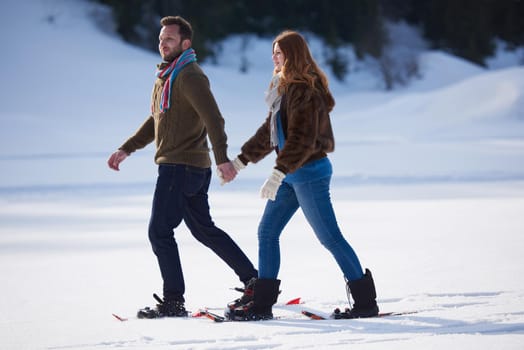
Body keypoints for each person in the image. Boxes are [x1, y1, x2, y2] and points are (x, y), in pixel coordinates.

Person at [107, 15, 257, 318]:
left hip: (180, 167)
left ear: (185, 43)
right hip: (186, 168)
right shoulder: (168, 77)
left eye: (170, 39)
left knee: (159, 232)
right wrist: (127, 148)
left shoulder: (189, 75)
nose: (163, 44)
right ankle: (254, 280)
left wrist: (223, 158)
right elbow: (157, 120)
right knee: (204, 230)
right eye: (161, 39)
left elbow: (214, 118)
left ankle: (173, 300)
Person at [225, 30, 379, 321]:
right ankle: (261, 305)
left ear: (293, 55)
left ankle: (365, 302)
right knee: (267, 232)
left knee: (330, 238)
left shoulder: (306, 91)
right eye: (273, 52)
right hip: (290, 174)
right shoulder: (283, 89)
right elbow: (269, 133)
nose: (274, 57)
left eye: (279, 52)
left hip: (308, 173)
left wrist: (276, 173)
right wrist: (240, 161)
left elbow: (301, 139)